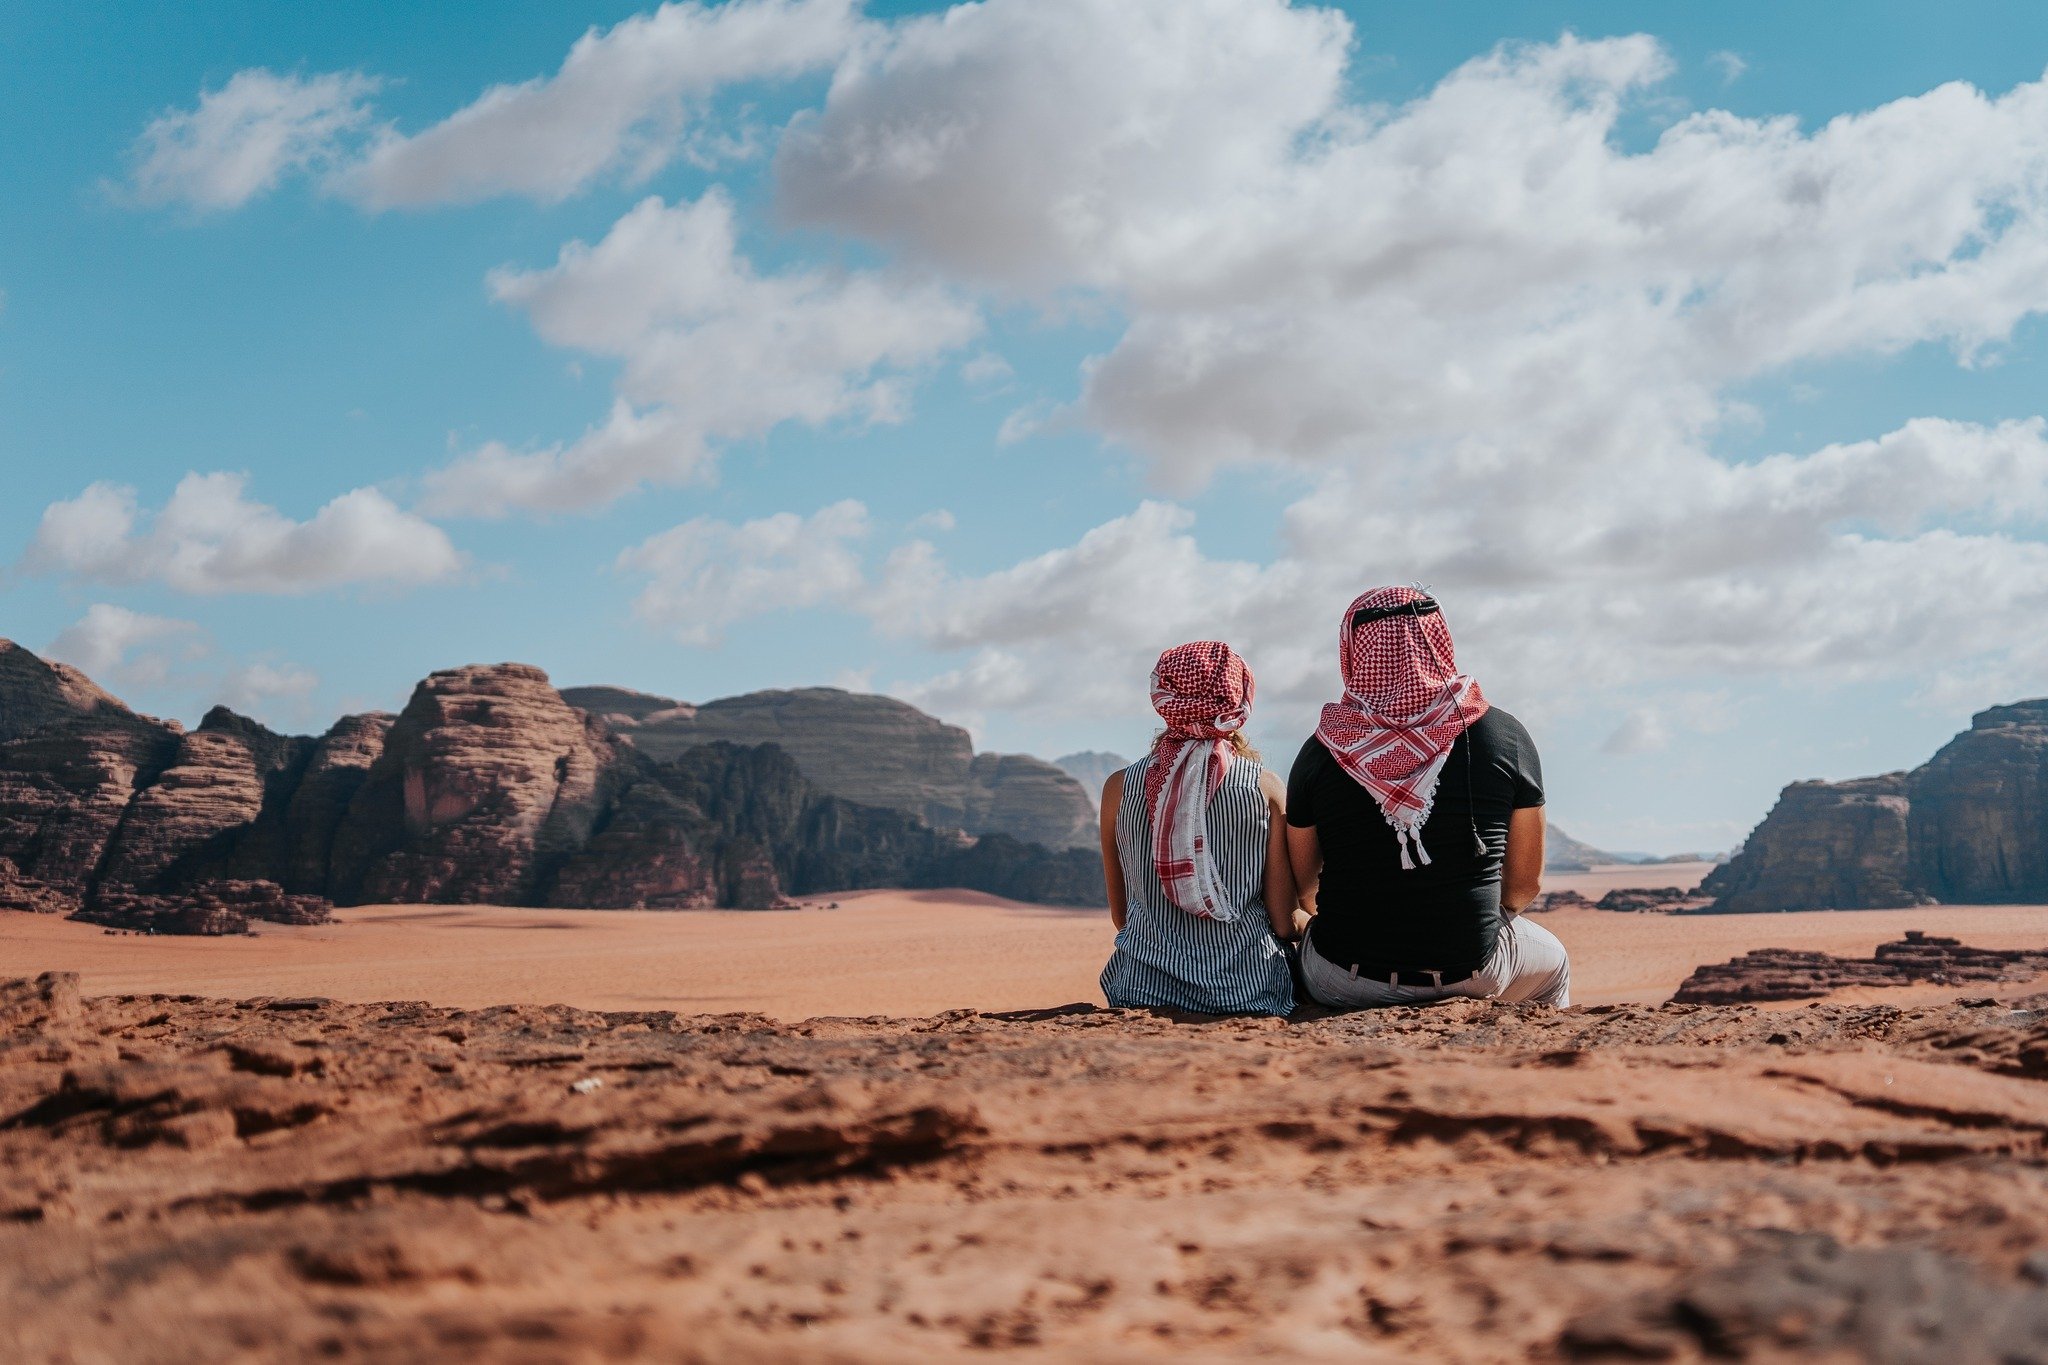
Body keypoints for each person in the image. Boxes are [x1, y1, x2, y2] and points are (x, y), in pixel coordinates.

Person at [1286, 586, 1569, 1008]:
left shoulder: (1321, 749)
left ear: (1351, 650)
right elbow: (1524, 885)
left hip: (1343, 979)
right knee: (1555, 965)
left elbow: (1305, 890)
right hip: (1474, 973)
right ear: (1440, 640)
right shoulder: (1504, 736)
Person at [1099, 641, 1296, 1016]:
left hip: (1141, 990)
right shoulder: (1265, 787)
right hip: (1246, 991)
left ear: (1163, 698)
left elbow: (1121, 916)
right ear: (1240, 701)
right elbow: (1283, 922)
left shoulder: (1117, 789)